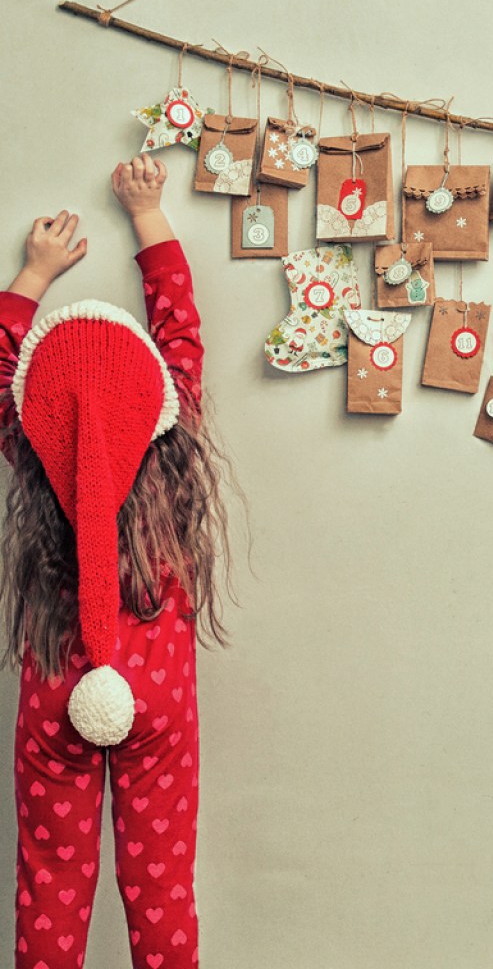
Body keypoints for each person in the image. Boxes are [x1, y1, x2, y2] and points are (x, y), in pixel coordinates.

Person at [0, 154, 234, 968]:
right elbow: (182, 336)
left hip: (59, 696)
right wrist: (146, 215)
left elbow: (0, 372)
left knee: (49, 882)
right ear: (157, 400)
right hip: (157, 699)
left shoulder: (30, 449)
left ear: (35, 413)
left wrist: (31, 274)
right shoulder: (172, 438)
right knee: (164, 886)